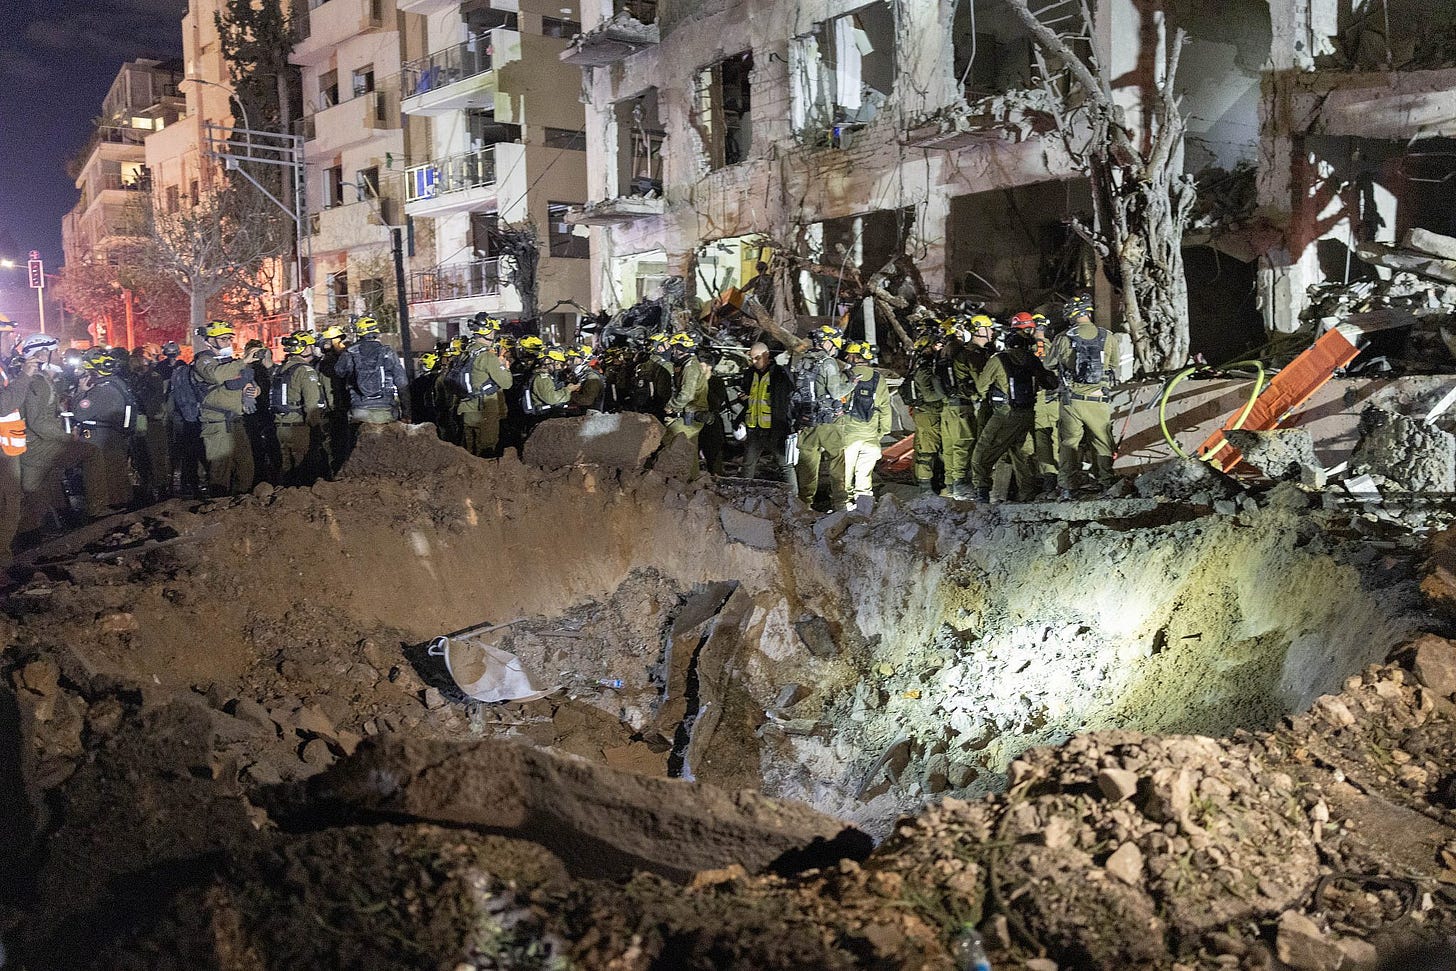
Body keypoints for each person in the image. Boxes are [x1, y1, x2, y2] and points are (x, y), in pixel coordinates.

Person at [970, 329, 1059, 502]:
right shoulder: (1032, 359)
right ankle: (1026, 493)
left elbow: (981, 387)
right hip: (1028, 414)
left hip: (1005, 414)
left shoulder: (998, 359)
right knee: (1020, 454)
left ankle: (981, 491)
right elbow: (1049, 383)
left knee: (982, 453)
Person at [1049, 294, 1122, 498]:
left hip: (1071, 400)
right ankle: (1106, 482)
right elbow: (1114, 365)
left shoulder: (1064, 337)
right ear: (1088, 313)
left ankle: (1067, 487)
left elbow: (1049, 364)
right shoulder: (1107, 336)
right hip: (1098, 401)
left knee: (1069, 442)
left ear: (1071, 315)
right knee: (1102, 441)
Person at [16, 334, 79, 538]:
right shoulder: (38, 383)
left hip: (40, 443)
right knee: (92, 452)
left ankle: (59, 518)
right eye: (55, 352)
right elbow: (37, 421)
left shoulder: (45, 381)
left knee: (46, 484)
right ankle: (97, 509)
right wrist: (68, 438)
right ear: (43, 354)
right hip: (36, 446)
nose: (59, 356)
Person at [790, 323, 853, 510]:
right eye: (834, 344)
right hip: (828, 423)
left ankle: (804, 504)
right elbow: (835, 392)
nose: (835, 348)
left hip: (807, 421)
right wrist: (852, 383)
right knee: (837, 460)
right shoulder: (828, 362)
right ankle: (840, 503)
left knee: (807, 464)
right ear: (827, 343)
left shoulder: (801, 360)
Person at [192, 320, 258, 496]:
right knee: (220, 471)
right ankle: (218, 507)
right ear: (209, 341)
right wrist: (243, 361)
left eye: (230, 338)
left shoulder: (231, 362)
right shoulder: (204, 360)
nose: (228, 343)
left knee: (246, 468)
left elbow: (253, 385)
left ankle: (239, 510)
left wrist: (250, 392)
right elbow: (215, 375)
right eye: (223, 339)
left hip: (236, 421)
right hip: (217, 425)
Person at [73, 349, 138, 518]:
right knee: (115, 472)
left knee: (97, 474)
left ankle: (99, 509)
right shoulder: (116, 383)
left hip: (100, 437)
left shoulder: (102, 390)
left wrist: (81, 391)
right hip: (114, 436)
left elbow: (80, 413)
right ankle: (120, 505)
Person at [333, 317, 409, 453]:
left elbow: (338, 373)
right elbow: (402, 383)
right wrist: (406, 412)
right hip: (385, 411)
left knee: (359, 453)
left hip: (359, 411)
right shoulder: (388, 352)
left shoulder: (350, 353)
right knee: (387, 451)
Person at [270, 331, 328, 485]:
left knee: (286, 471)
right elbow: (312, 406)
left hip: (280, 427)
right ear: (303, 348)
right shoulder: (305, 370)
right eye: (310, 345)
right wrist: (317, 429)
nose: (312, 348)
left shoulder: (281, 369)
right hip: (298, 429)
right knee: (305, 472)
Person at [452, 314, 514, 458]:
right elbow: (507, 383)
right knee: (486, 453)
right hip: (485, 411)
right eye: (493, 331)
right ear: (488, 332)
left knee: (468, 451)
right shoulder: (487, 357)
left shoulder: (466, 352)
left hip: (467, 410)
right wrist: (504, 366)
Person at [839, 341, 890, 509]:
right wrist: (882, 431)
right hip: (870, 436)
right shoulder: (878, 379)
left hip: (847, 434)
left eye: (849, 354)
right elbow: (884, 408)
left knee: (844, 472)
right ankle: (864, 505)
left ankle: (844, 504)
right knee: (865, 474)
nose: (847, 357)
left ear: (855, 356)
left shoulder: (846, 375)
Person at [738, 342, 795, 489]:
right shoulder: (750, 373)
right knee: (748, 465)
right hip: (754, 427)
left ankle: (795, 499)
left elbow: (786, 400)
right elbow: (749, 395)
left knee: (785, 465)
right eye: (752, 358)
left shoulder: (779, 374)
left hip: (775, 428)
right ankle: (742, 494)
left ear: (766, 355)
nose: (754, 362)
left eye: (757, 358)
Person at [904, 332, 946, 493]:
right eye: (936, 345)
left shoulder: (926, 365)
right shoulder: (924, 368)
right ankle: (925, 490)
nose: (939, 348)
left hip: (931, 413)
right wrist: (947, 393)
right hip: (928, 414)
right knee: (927, 452)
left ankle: (932, 484)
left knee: (932, 451)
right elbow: (929, 395)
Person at [661, 333, 709, 474]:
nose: (673, 351)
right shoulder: (687, 365)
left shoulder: (690, 367)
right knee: (691, 449)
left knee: (670, 439)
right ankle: (691, 480)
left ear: (681, 348)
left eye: (675, 348)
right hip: (690, 415)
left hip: (691, 415)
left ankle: (676, 477)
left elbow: (686, 395)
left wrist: (671, 406)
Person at [166, 341, 208, 496]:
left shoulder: (176, 375)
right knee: (201, 454)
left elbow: (173, 400)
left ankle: (188, 485)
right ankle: (203, 485)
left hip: (183, 420)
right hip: (197, 419)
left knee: (188, 456)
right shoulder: (193, 376)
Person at [630, 332, 675, 418]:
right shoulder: (666, 366)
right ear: (660, 348)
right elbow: (665, 393)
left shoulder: (642, 365)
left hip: (643, 409)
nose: (670, 347)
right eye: (667, 344)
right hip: (659, 410)